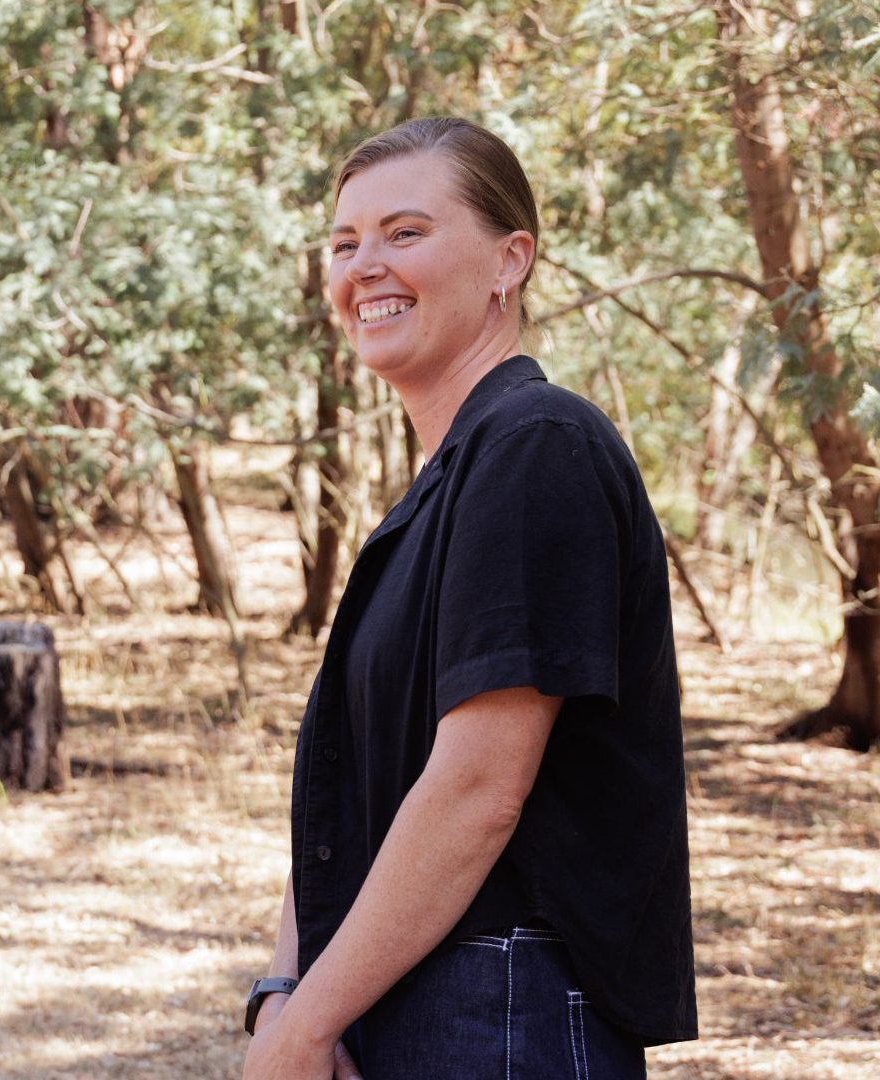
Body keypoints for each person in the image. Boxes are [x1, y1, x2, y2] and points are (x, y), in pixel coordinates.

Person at [242, 118, 696, 1079]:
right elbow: (351, 792)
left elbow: (479, 790)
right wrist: (286, 995)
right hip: (404, 989)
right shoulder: (444, 484)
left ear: (509, 261)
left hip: (502, 1007)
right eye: (343, 242)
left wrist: (307, 1022)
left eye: (405, 232)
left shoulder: (538, 444)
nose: (365, 264)